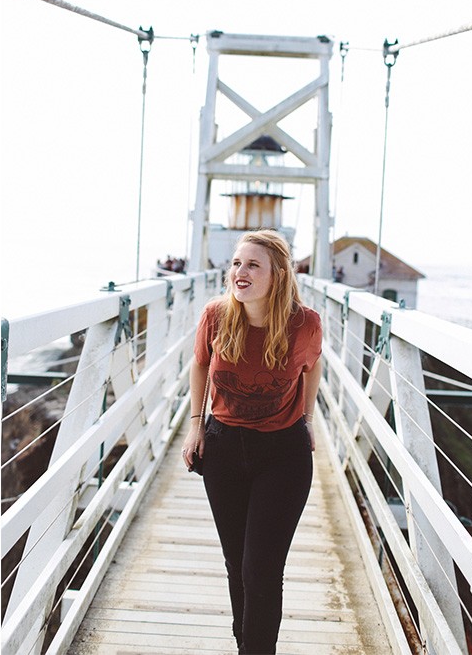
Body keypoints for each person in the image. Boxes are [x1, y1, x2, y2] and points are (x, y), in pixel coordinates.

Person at [182, 229, 322, 654]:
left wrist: (308, 417)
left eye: (252, 265)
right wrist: (195, 425)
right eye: (236, 264)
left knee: (261, 570)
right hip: (223, 449)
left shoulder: (305, 323)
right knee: (237, 565)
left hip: (283, 453)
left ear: (277, 275)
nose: (239, 273)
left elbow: (311, 368)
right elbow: (200, 366)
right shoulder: (216, 315)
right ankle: (247, 645)